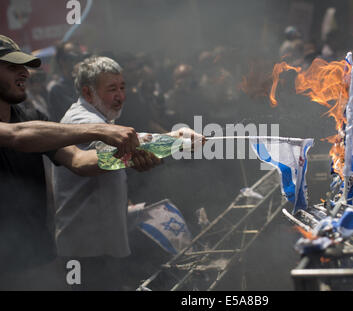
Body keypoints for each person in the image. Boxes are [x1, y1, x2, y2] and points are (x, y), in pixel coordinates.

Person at [0, 35, 154, 290]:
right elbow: (17, 136)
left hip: (38, 256)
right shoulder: (26, 126)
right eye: (11, 67)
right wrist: (98, 130)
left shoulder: (29, 115)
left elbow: (79, 160)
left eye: (23, 66)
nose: (24, 73)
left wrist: (133, 155)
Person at [52, 55, 203, 290]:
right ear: (88, 93)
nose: (120, 96)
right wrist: (176, 140)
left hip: (102, 244)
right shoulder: (81, 120)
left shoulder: (100, 118)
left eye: (122, 87)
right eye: (112, 89)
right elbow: (115, 151)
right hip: (85, 251)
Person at [47, 41, 87, 122]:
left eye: (80, 56)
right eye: (72, 57)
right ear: (62, 61)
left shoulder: (89, 82)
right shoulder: (57, 90)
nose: (78, 61)